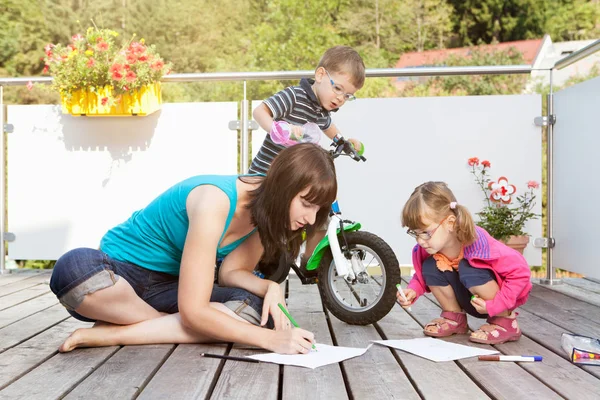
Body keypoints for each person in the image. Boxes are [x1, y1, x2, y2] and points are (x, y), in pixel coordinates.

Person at [49, 143, 337, 354]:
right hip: (120, 275)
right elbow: (193, 311)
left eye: (317, 209)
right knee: (72, 270)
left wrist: (270, 288)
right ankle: (151, 328)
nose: (310, 219)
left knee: (256, 308)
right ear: (283, 187)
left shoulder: (267, 218)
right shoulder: (215, 200)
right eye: (306, 203)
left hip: (171, 288)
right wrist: (269, 340)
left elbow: (231, 272)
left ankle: (112, 332)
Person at [249, 45, 365, 266]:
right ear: (320, 74)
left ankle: (310, 260)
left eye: (348, 95)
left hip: (295, 180)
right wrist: (276, 129)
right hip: (267, 176)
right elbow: (260, 111)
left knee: (321, 206)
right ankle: (253, 261)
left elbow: (328, 126)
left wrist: (343, 141)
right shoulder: (294, 96)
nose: (341, 98)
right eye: (338, 88)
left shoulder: (322, 109)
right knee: (263, 225)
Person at [396, 181, 532, 344]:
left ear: (450, 223)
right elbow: (421, 276)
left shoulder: (480, 244)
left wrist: (498, 304)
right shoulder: (430, 248)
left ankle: (505, 322)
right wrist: (413, 290)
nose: (420, 240)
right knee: (430, 266)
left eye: (425, 232)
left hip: (495, 302)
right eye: (415, 233)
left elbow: (521, 272)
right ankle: (455, 318)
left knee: (468, 268)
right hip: (470, 298)